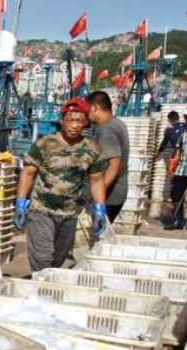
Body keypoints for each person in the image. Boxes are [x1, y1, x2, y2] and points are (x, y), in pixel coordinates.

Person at [13, 98, 109, 272]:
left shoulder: (92, 149)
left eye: (79, 121)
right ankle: (40, 286)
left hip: (69, 214)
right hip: (41, 211)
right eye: (70, 120)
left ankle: (46, 285)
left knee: (57, 262)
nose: (74, 125)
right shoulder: (44, 144)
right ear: (62, 120)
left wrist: (100, 209)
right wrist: (20, 203)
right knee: (43, 261)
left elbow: (97, 180)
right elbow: (27, 174)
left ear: (86, 123)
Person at [85, 90, 130, 224]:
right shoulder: (117, 123)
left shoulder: (107, 129)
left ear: (94, 107)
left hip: (108, 197)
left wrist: (97, 195)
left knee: (97, 234)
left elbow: (114, 165)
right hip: (116, 193)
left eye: (87, 109)